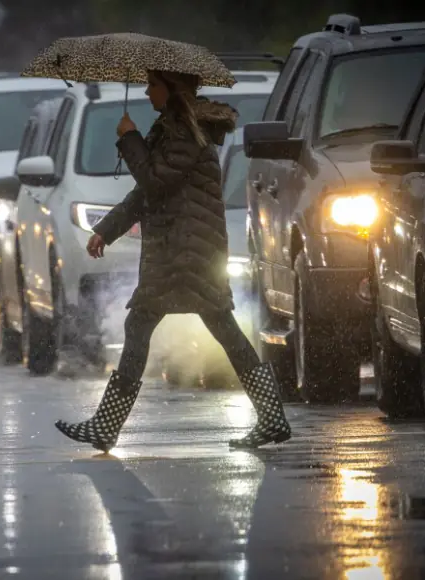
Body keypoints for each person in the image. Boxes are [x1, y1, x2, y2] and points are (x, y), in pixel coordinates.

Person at [54, 69, 292, 451]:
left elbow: (154, 181)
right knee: (217, 328)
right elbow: (146, 194)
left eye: (153, 85)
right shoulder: (175, 128)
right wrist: (107, 229)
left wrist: (129, 140)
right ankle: (271, 418)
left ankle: (105, 427)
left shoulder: (184, 133)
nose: (147, 93)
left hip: (185, 252)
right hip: (184, 249)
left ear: (172, 89)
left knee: (150, 325)